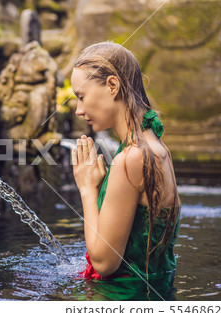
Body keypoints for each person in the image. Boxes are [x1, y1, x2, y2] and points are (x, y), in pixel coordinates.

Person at [70, 41, 180, 299]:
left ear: (112, 86)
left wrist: (87, 188)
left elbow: (104, 263)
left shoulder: (130, 158)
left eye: (81, 96)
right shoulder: (158, 148)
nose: (79, 110)